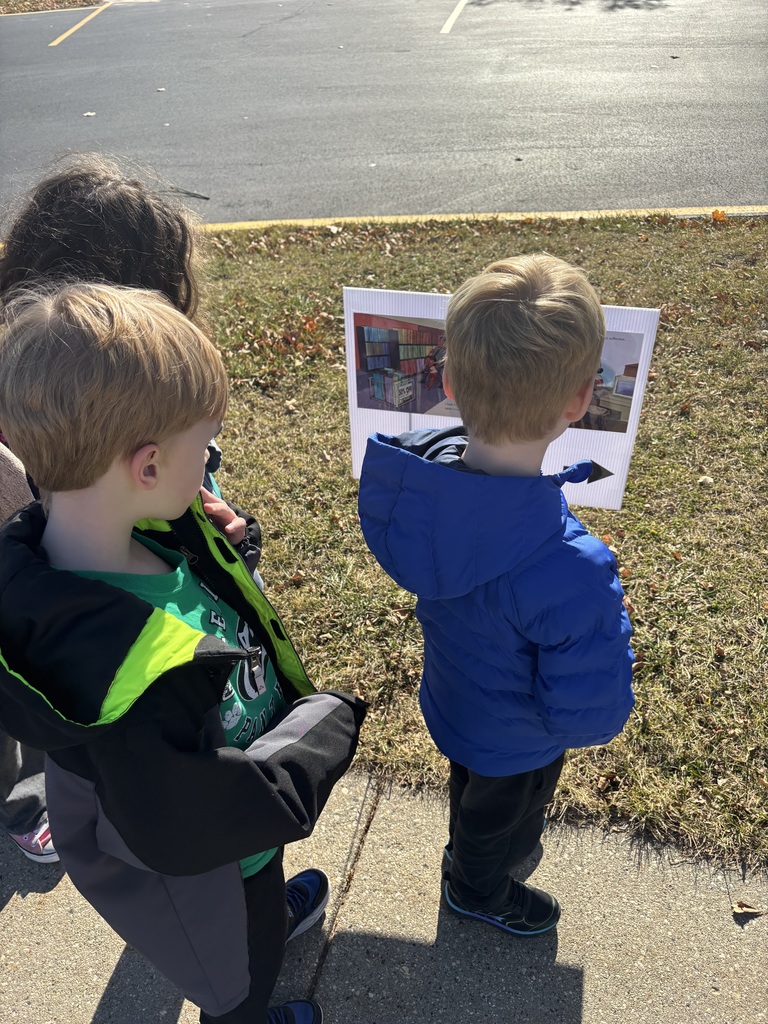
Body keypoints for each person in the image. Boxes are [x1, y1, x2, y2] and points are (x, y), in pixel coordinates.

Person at [0, 282, 366, 1024]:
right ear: (146, 467)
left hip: (241, 843)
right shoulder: (120, 674)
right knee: (240, 975)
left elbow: (204, 587)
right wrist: (326, 734)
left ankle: (265, 906)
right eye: (206, 449)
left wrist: (232, 548)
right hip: (219, 856)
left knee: (256, 902)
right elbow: (188, 826)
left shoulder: (109, 538)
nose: (210, 468)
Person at [358, 254, 634, 937]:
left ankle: (469, 858)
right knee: (498, 826)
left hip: (456, 701)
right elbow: (591, 713)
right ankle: (476, 891)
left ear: (449, 380)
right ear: (578, 402)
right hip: (519, 743)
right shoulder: (571, 569)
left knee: (473, 794)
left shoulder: (421, 496)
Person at [0, 154, 262, 864]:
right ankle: (39, 795)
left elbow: (173, 499)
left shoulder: (141, 402)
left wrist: (219, 534)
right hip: (74, 654)